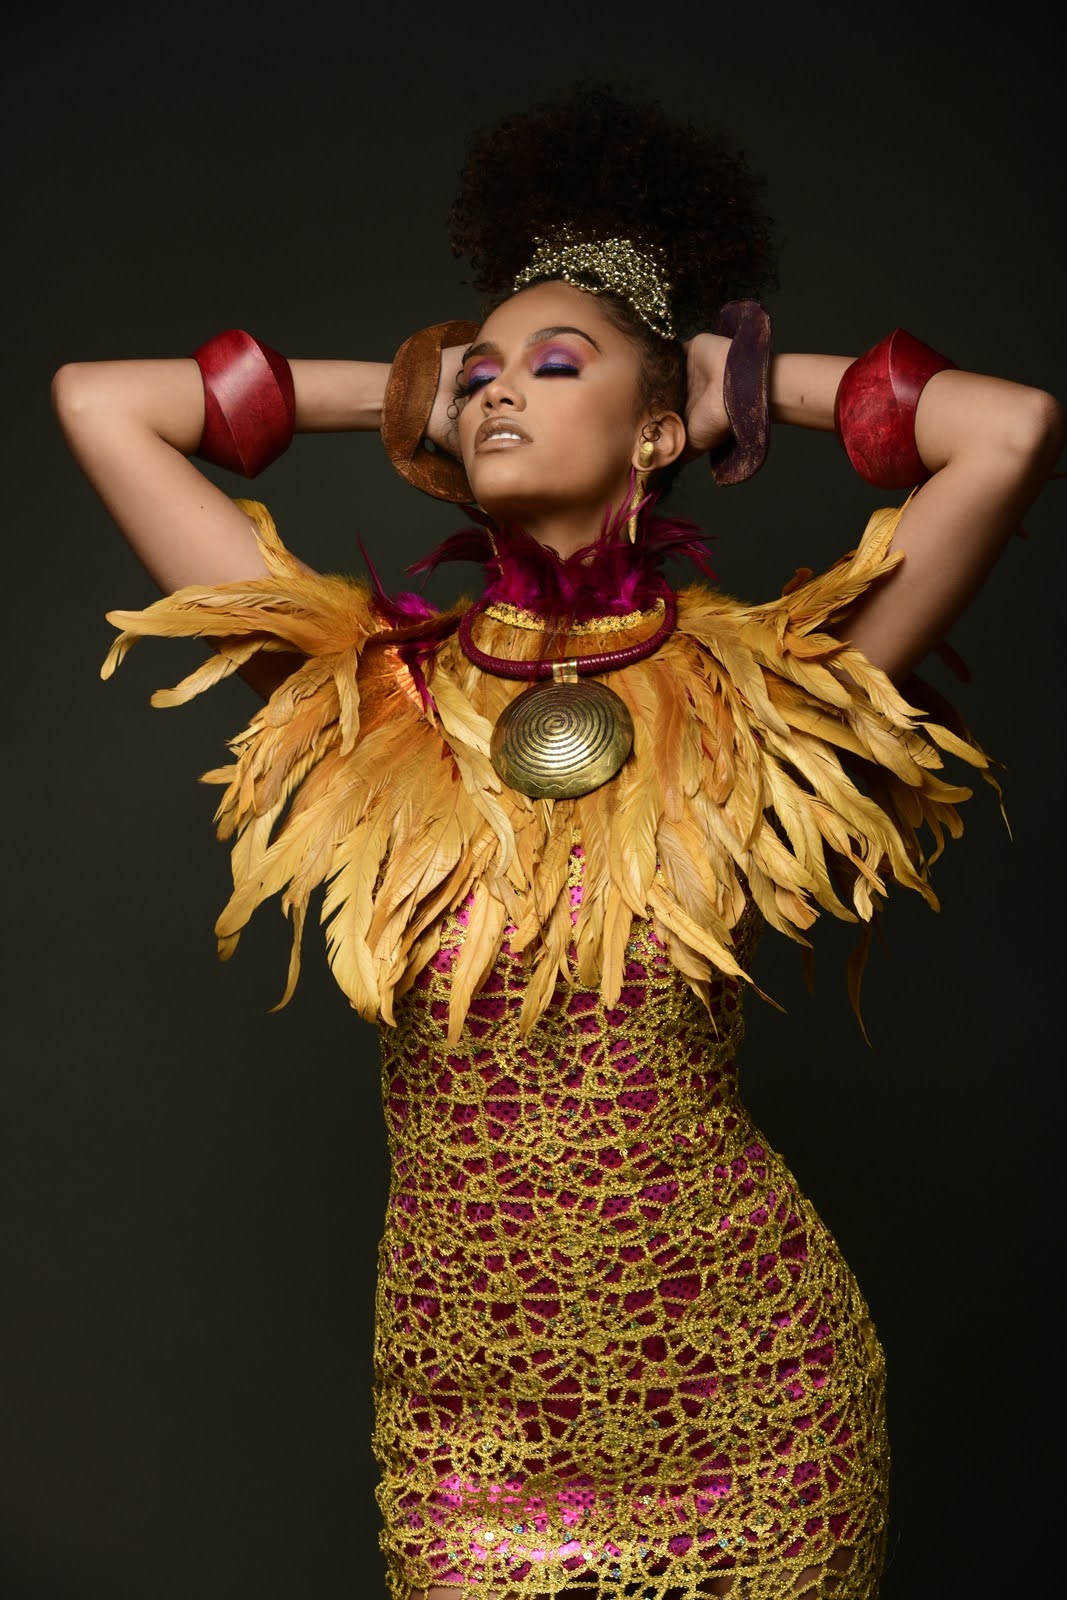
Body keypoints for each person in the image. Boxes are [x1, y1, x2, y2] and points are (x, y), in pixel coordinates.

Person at [50, 82, 1063, 1600]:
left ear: (659, 426)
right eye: (478, 376)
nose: (499, 393)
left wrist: (740, 379)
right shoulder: (376, 697)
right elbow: (99, 404)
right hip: (468, 1438)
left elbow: (1009, 430)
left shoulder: (758, 694)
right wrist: (413, 389)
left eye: (555, 364)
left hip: (754, 1411)